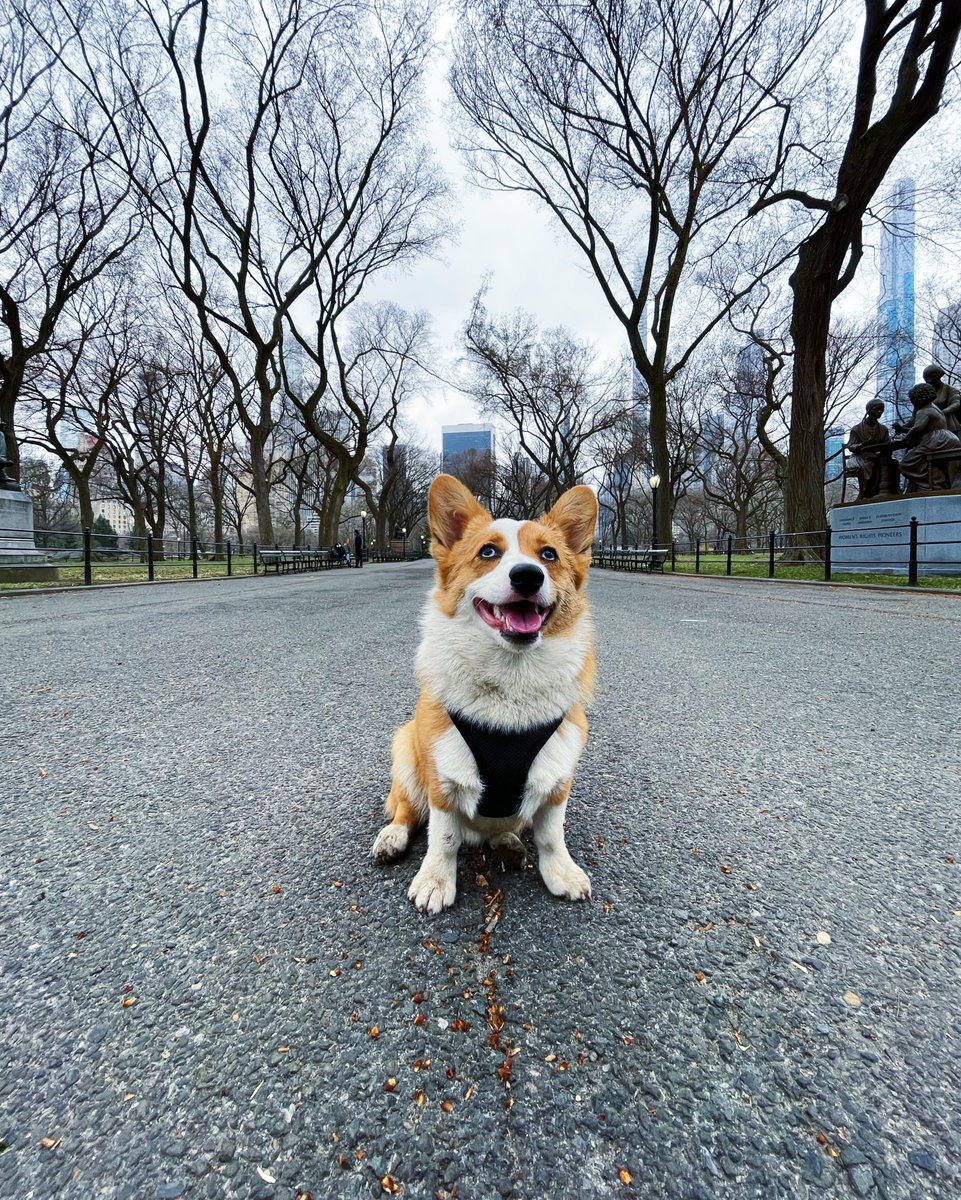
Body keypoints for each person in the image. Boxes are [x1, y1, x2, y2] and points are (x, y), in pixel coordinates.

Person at [896, 382, 961, 492]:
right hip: (950, 438)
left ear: (917, 399)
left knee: (906, 463)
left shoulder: (923, 411)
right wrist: (903, 429)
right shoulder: (934, 407)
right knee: (926, 460)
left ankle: (931, 484)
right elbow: (924, 427)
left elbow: (917, 429)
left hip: (937, 440)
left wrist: (904, 439)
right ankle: (937, 481)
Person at [846, 400, 891, 498]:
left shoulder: (883, 429)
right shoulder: (857, 429)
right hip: (859, 457)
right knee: (871, 465)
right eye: (877, 409)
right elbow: (850, 446)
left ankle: (889, 491)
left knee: (892, 464)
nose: (879, 412)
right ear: (869, 410)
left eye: (881, 410)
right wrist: (861, 445)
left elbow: (888, 443)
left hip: (876, 456)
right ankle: (867, 494)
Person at [922, 364, 961, 434]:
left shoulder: (950, 390)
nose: (930, 380)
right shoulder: (924, 392)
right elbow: (916, 413)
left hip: (948, 426)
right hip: (928, 427)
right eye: (926, 378)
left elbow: (956, 403)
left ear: (940, 376)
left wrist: (941, 413)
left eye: (933, 377)